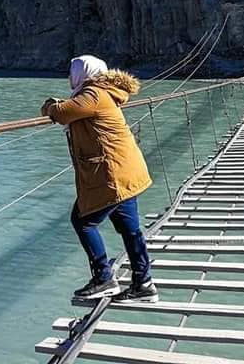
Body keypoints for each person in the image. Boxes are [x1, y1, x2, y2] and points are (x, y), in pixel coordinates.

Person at [42, 55, 159, 302]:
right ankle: (144, 283)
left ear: (81, 74)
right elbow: (75, 110)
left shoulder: (93, 94)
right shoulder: (102, 93)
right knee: (130, 230)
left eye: (73, 71)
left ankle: (103, 278)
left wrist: (50, 106)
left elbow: (63, 113)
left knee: (82, 220)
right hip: (126, 171)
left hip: (112, 174)